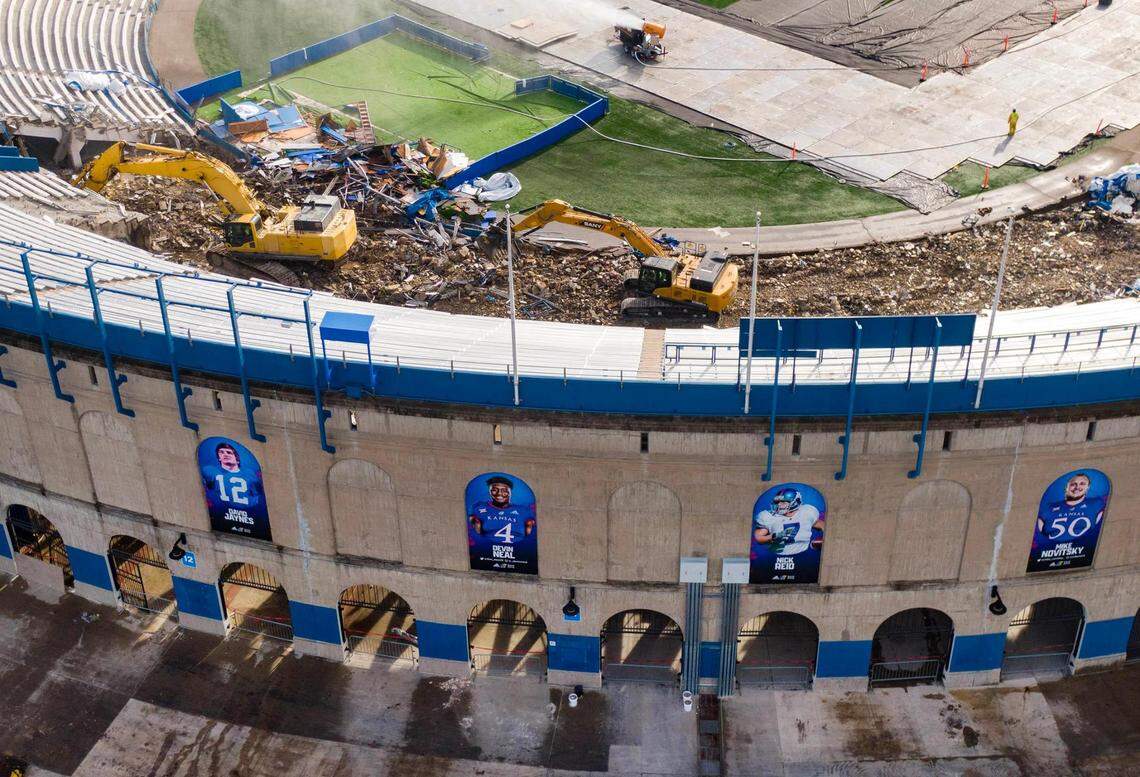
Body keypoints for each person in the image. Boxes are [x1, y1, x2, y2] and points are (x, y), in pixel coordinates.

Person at [1031, 472, 1106, 569]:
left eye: (1082, 484)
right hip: (1046, 554)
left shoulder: (1096, 503)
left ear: (1088, 488)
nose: (1077, 487)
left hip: (1083, 552)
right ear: (1066, 487)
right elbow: (1039, 533)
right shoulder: (1049, 508)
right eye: (1073, 484)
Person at [199, 440, 270, 539]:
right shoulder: (211, 471)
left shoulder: (249, 474)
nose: (225, 454)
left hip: (253, 514)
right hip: (221, 515)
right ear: (218, 457)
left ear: (237, 458)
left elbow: (258, 495)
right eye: (221, 452)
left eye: (229, 452)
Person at [468, 475, 537, 572]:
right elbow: (473, 532)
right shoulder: (478, 508)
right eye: (494, 490)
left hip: (520, 552)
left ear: (510, 492)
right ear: (489, 491)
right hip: (485, 551)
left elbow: (530, 535)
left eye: (504, 490)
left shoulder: (523, 510)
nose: (499, 493)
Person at [753, 488, 824, 556]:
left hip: (804, 554)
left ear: (796, 502)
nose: (779, 505)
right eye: (777, 502)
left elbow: (821, 525)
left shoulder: (806, 512)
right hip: (776, 556)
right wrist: (772, 537)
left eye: (783, 502)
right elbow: (758, 537)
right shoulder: (769, 516)